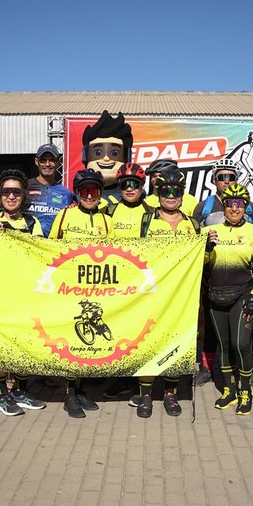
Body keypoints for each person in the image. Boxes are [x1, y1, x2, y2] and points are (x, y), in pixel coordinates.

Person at [130, 166, 201, 418]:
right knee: (147, 342)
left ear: (182, 195)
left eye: (176, 191)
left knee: (175, 343)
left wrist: (208, 249)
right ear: (158, 194)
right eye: (166, 191)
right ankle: (145, 395)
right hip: (153, 293)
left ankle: (171, 393)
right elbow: (134, 255)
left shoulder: (192, 224)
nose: (171, 196)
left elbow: (200, 261)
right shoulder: (146, 220)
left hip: (181, 295)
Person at [0, 169, 47, 417]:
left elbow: (40, 256)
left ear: (24, 195)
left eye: (16, 192)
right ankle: (2, 396)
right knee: (0, 348)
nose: (11, 196)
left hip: (26, 296)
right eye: (6, 192)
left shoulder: (32, 223)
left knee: (26, 346)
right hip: (0, 297)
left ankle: (20, 392)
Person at [50, 169, 112, 418]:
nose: (89, 195)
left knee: (90, 341)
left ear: (100, 193)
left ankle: (81, 389)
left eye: (94, 191)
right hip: (69, 289)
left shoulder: (107, 221)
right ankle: (69, 395)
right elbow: (49, 248)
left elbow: (115, 256)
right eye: (84, 191)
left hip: (96, 290)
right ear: (77, 193)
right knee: (72, 341)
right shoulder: (65, 215)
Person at [204, 184, 253, 415]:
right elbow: (200, 264)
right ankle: (229, 390)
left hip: (243, 296)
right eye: (230, 203)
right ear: (224, 206)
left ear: (245, 206)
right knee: (223, 345)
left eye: (239, 204)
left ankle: (245, 391)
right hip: (215, 295)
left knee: (240, 345)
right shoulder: (210, 231)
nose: (234, 208)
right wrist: (207, 249)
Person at [100, 162, 153, 399]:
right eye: (124, 185)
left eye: (135, 184)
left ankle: (140, 380)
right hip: (115, 283)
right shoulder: (108, 211)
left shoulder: (152, 212)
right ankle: (120, 378)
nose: (130, 189)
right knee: (118, 330)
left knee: (140, 332)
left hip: (142, 283)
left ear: (142, 186)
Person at [81, 110, 133, 203]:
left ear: (127, 157)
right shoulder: (81, 196)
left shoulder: (133, 196)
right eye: (98, 153)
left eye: (114, 153)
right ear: (86, 157)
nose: (106, 158)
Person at [26, 143, 75, 237]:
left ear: (58, 163)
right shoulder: (25, 187)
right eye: (43, 161)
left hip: (54, 244)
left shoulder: (66, 194)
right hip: (28, 243)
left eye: (52, 160)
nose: (47, 164)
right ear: (36, 162)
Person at [193, 159, 253, 228]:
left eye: (231, 177)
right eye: (222, 177)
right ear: (214, 180)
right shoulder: (202, 207)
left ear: (236, 180)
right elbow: (194, 233)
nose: (227, 182)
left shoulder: (248, 206)